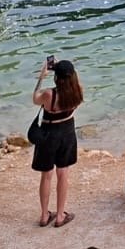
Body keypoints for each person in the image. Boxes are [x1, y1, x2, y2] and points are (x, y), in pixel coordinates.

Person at [31, 57, 82, 228]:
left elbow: (34, 99)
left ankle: (45, 215)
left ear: (56, 77)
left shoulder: (49, 95)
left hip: (48, 134)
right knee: (63, 173)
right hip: (67, 133)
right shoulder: (77, 92)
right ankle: (60, 215)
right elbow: (75, 83)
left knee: (46, 175)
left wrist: (41, 77)